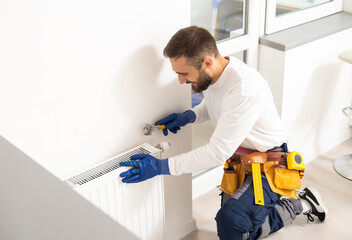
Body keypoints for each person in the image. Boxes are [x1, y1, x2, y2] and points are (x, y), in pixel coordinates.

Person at [119, 26, 327, 239]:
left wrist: (161, 166)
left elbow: (216, 152)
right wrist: (189, 116)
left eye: (184, 73)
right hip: (240, 162)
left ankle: (296, 205)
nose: (180, 80)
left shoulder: (244, 88)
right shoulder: (214, 75)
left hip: (269, 164)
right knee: (232, 225)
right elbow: (212, 106)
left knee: (231, 224)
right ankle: (276, 205)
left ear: (207, 62)